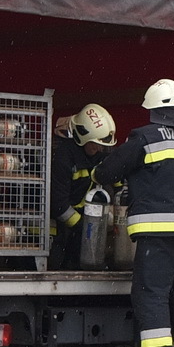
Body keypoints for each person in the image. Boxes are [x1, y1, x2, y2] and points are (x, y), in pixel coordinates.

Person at [91, 78, 174, 347]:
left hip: (157, 231)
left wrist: (98, 171)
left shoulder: (144, 137)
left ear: (152, 109)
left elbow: (108, 172)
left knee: (151, 292)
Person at [48, 103, 117, 270]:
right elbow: (58, 205)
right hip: (55, 231)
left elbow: (118, 182)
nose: (99, 148)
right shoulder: (63, 158)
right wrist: (86, 228)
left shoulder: (100, 154)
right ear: (81, 138)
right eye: (95, 144)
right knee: (57, 269)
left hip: (80, 229)